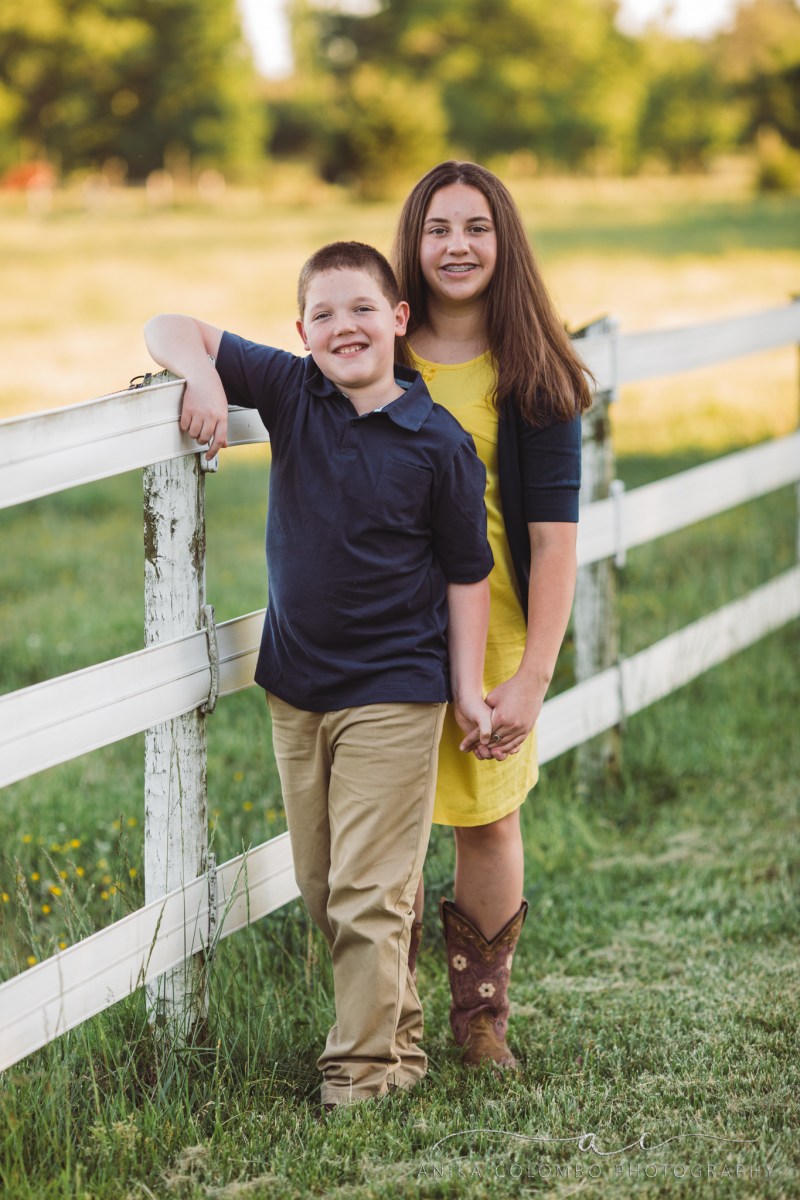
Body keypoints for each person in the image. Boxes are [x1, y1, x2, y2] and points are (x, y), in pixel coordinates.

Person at [143, 241, 495, 1108]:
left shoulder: (438, 442)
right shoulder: (298, 392)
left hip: (396, 692)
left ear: (399, 320)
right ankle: (399, 1041)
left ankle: (362, 1078)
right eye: (325, 316)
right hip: (297, 687)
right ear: (301, 333)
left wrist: (467, 689)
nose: (345, 328)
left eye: (363, 309)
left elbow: (468, 573)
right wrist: (206, 377)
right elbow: (169, 325)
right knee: (322, 883)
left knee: (367, 894)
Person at [392, 162, 593, 1070]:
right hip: (383, 631)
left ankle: (480, 1021)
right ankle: (382, 1022)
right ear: (413, 241)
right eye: (438, 229)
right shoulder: (375, 350)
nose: (456, 246)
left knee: (488, 821)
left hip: (500, 629)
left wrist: (532, 676)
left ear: (504, 241)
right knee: (379, 824)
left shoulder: (534, 374)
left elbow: (552, 541)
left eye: (476, 227)